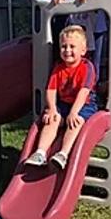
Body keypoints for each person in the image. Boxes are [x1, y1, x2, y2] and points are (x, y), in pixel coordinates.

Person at [24, 25, 98, 170]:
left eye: (72, 46)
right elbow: (51, 90)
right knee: (52, 119)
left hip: (84, 104)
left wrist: (73, 112)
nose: (67, 50)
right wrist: (52, 109)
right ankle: (40, 153)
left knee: (75, 122)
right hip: (64, 103)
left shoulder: (87, 67)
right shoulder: (58, 67)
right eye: (64, 47)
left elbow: (84, 92)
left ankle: (63, 154)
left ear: (83, 50)